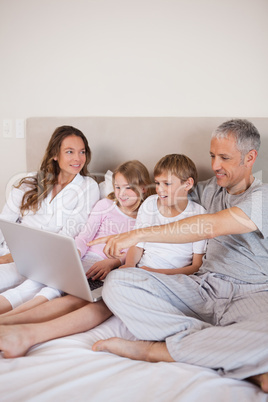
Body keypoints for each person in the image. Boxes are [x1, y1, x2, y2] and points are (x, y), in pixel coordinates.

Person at [87, 119, 268, 393]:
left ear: (250, 157)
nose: (215, 165)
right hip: (203, 287)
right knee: (118, 283)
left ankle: (155, 350)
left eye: (224, 158)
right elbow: (161, 189)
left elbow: (211, 225)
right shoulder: (208, 189)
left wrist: (137, 235)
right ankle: (220, 349)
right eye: (212, 156)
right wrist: (121, 197)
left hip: (251, 293)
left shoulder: (262, 197)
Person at [0, 160, 153, 348]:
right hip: (83, 258)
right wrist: (74, 255)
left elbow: (134, 249)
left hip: (106, 270)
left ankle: (10, 324)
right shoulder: (105, 205)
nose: (121, 193)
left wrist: (112, 263)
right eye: (117, 187)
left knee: (60, 292)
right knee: (42, 285)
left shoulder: (145, 218)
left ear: (144, 188)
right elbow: (85, 236)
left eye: (128, 188)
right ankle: (7, 320)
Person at [0, 125, 100, 313]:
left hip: (37, 261)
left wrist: (13, 257)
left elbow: (70, 232)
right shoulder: (31, 181)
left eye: (82, 152)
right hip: (7, 250)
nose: (78, 158)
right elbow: (4, 221)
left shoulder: (88, 187)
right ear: (55, 154)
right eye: (70, 152)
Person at [121, 154, 207, 276]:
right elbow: (137, 245)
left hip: (172, 277)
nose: (160, 189)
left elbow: (196, 266)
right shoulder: (150, 203)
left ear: (187, 184)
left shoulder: (199, 214)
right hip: (141, 271)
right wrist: (129, 265)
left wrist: (157, 273)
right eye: (157, 183)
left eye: (167, 184)